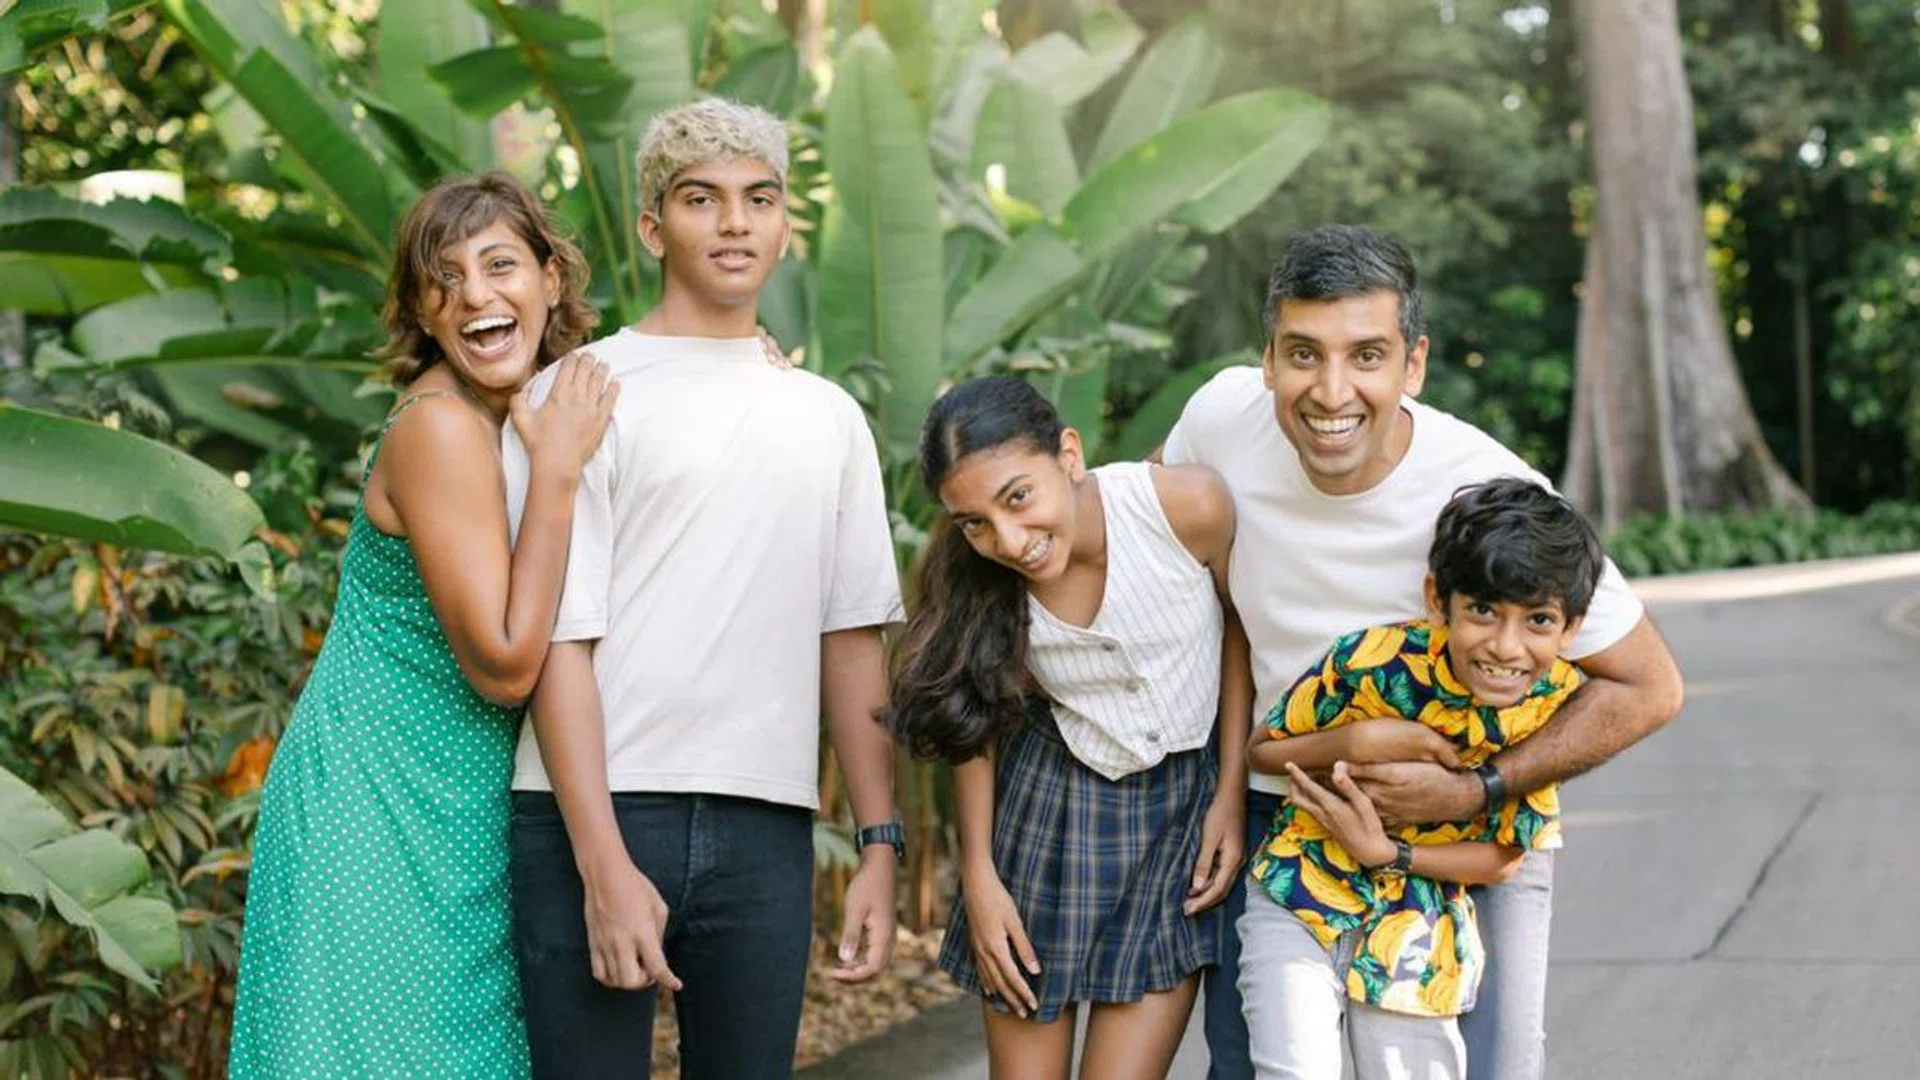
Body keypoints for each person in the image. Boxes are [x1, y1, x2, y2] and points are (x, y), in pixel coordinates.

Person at [1162, 224, 1685, 1080]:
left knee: (1488, 1070)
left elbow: (1648, 686)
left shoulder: (1484, 491)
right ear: (1267, 360)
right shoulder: (1220, 420)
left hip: (1470, 828)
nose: (1332, 391)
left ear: (1413, 365)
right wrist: (1220, 795)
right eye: (1303, 354)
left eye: (1367, 355)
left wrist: (1477, 785)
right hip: (1282, 814)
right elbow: (1180, 579)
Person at [499, 97, 904, 1079]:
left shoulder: (827, 416)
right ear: (652, 225)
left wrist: (880, 845)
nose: (734, 223)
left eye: (758, 199)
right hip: (587, 811)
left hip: (766, 822)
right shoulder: (581, 390)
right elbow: (560, 637)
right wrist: (601, 864)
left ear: (784, 222)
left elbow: (851, 641)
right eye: (701, 199)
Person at [230, 172, 617, 1078]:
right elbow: (506, 665)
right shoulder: (440, 427)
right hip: (370, 809)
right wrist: (556, 471)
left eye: (499, 265)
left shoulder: (520, 412)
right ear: (420, 312)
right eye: (444, 279)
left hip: (462, 812)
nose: (476, 295)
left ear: (550, 280)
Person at [888, 376, 1249, 1080]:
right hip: (1047, 819)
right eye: (974, 521)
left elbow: (1243, 632)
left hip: (1178, 824)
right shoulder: (983, 578)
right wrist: (981, 877)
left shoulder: (1184, 506)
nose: (1008, 539)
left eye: (1018, 496)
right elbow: (976, 724)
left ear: (1070, 455)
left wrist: (1229, 791)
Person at [1238, 478, 1606, 1079]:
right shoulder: (1374, 661)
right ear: (1439, 600)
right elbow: (1265, 752)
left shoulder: (1548, 710)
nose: (1506, 646)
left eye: (1537, 620)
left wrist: (1390, 853)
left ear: (1570, 629)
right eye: (1483, 611)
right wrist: (1355, 740)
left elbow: (1505, 857)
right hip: (1297, 894)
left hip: (1420, 929)